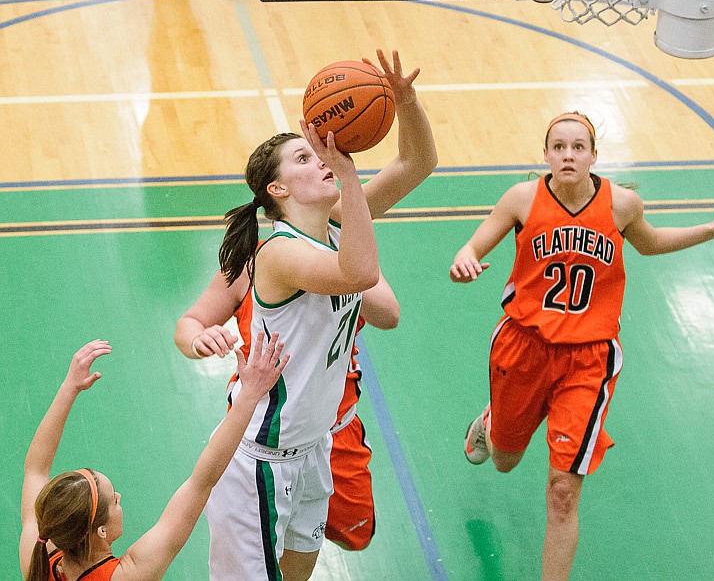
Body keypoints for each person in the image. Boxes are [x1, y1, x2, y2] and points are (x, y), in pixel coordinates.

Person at [450, 111, 714, 581]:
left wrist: (712, 228)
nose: (568, 154)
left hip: (589, 360)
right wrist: (464, 260)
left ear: (593, 154)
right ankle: (489, 423)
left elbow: (648, 244)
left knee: (563, 491)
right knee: (505, 461)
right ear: (546, 154)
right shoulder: (522, 199)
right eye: (558, 147)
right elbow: (472, 247)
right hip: (522, 348)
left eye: (578, 146)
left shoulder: (622, 204)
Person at [202, 48, 436, 581]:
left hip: (313, 447)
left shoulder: (332, 224)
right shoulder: (279, 252)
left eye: (316, 152)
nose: (320, 158)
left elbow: (416, 163)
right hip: (259, 453)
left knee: (300, 573)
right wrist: (349, 176)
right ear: (277, 190)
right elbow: (359, 274)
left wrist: (407, 103)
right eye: (304, 158)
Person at [19, 334, 288, 581]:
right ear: (100, 531)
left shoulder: (39, 560)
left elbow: (36, 469)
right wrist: (250, 395)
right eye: (113, 500)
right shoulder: (128, 576)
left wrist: (70, 387)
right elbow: (201, 482)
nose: (119, 497)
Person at [175, 268, 399, 552]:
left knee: (355, 536)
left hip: (332, 433)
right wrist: (198, 340)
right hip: (263, 442)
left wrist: (345, 266)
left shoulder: (349, 260)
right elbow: (190, 322)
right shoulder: (250, 263)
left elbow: (390, 315)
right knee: (261, 550)